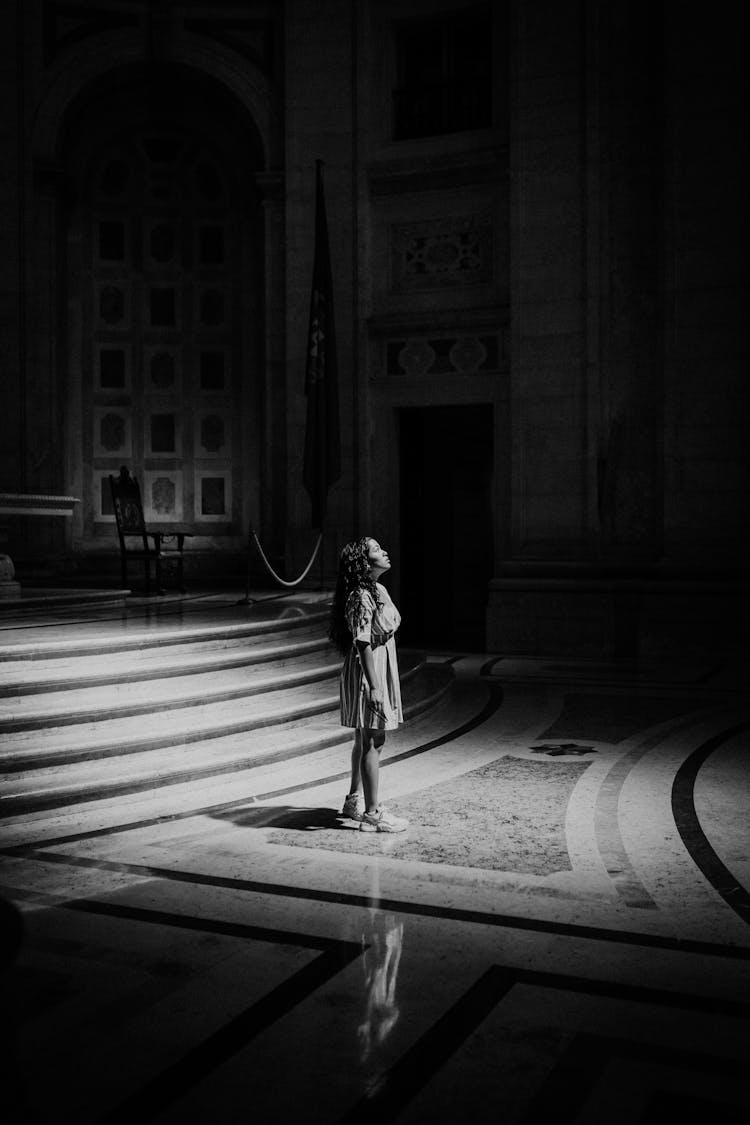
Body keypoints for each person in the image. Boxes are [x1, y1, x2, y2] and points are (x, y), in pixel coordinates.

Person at [328, 536, 408, 833]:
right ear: (363, 563)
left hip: (379, 663)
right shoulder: (360, 596)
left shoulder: (378, 590)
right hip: (369, 668)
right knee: (374, 739)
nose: (384, 551)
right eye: (376, 549)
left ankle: (353, 801)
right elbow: (362, 642)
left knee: (365, 739)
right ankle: (373, 814)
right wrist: (374, 686)